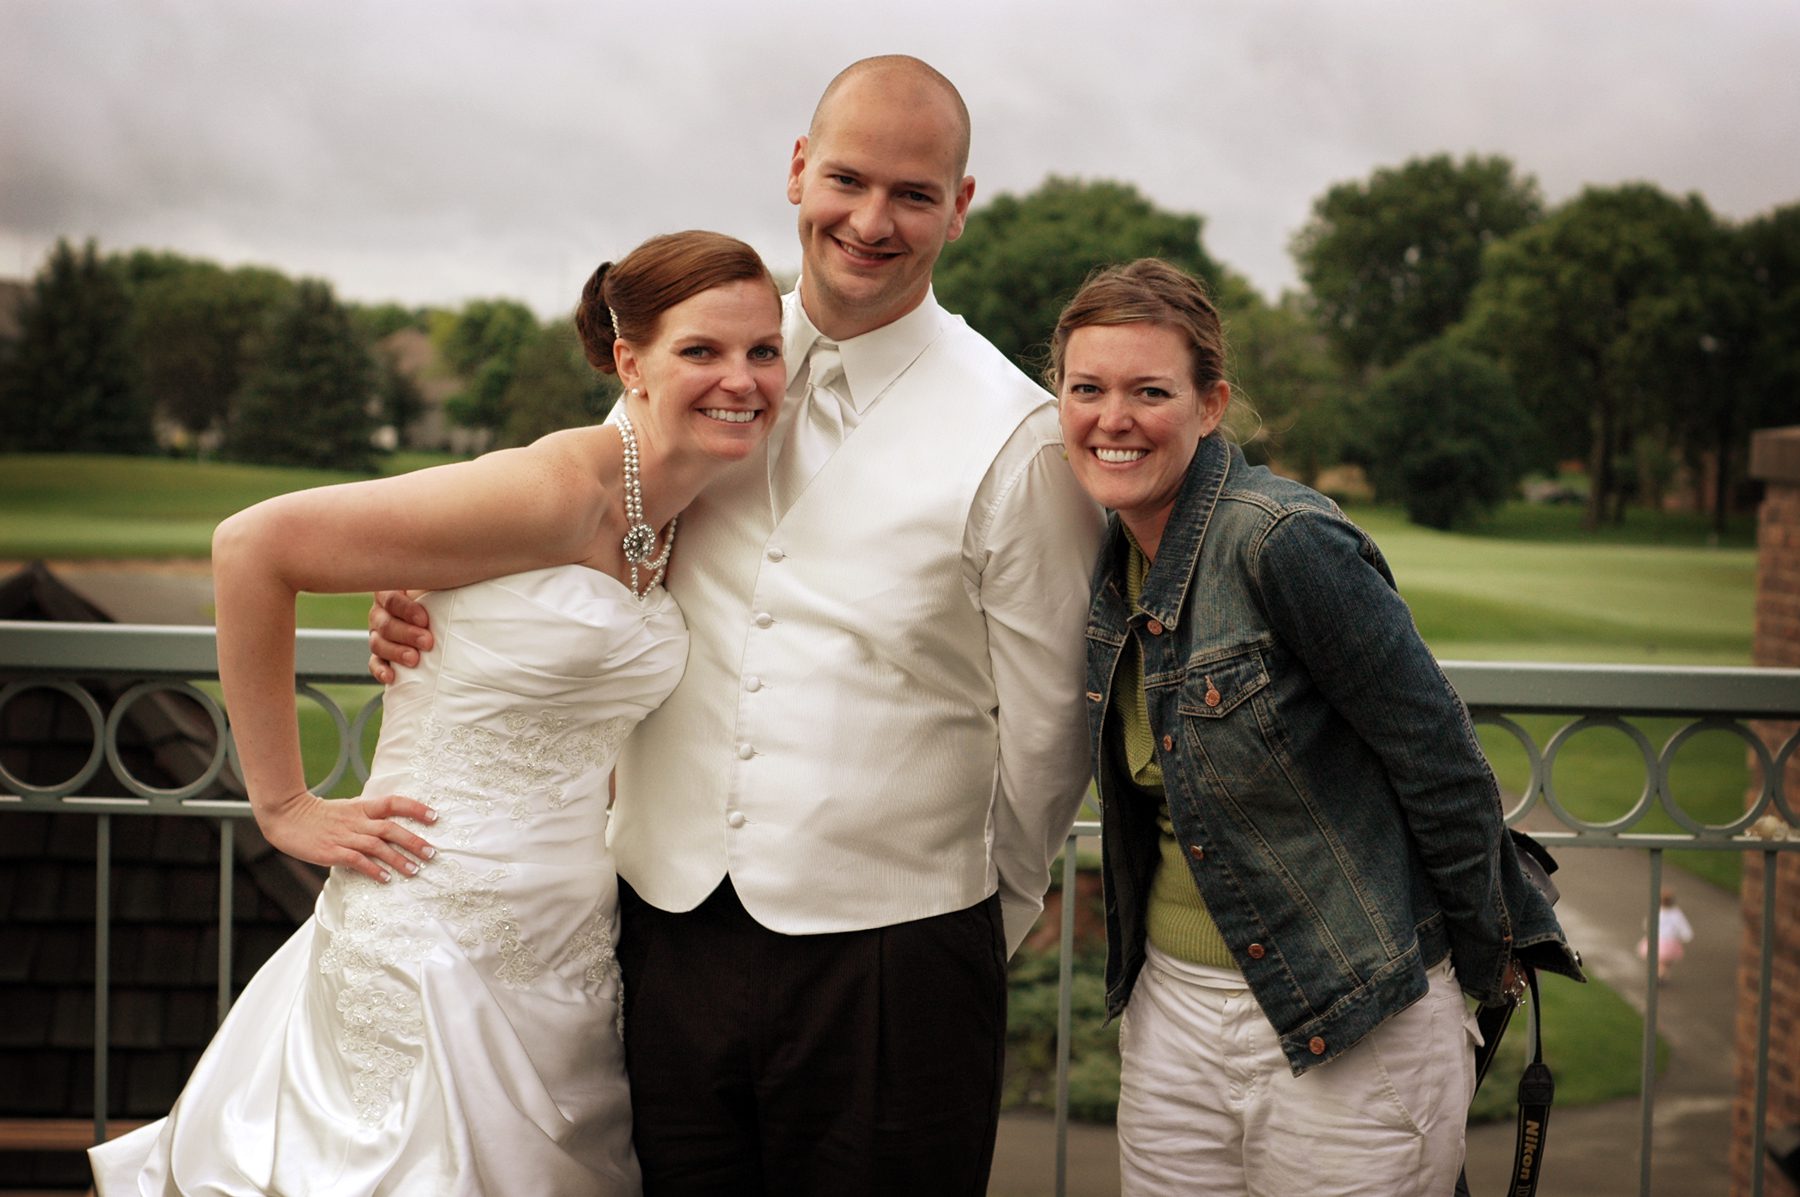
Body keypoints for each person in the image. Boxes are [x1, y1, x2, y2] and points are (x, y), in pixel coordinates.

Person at [369, 56, 1104, 1195]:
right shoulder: (688, 362)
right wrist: (437, 602)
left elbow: (1051, 729)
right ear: (799, 169)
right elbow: (581, 535)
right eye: (848, 179)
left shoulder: (1021, 433)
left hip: (898, 959)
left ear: (959, 207)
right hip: (661, 930)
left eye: (914, 194)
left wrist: (958, 927)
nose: (871, 221)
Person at [90, 230, 786, 1196]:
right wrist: (284, 804)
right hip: (426, 918)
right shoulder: (555, 489)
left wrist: (421, 588)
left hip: (568, 938)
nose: (741, 378)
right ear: (630, 362)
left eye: (763, 350)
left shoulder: (681, 509)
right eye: (701, 350)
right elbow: (253, 547)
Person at [1046, 258, 1582, 1197]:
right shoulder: (1111, 555)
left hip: (1357, 1020)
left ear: (1211, 405)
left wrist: (1482, 964)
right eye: (1087, 389)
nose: (1113, 417)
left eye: (1150, 391)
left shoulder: (1282, 539)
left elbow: (1441, 763)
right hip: (1173, 1017)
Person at [1637, 888, 1694, 981]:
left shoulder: (1657, 911)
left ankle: (1660, 974)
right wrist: (1686, 936)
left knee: (1659, 961)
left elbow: (1647, 924)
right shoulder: (1676, 913)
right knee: (1665, 962)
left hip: (1656, 941)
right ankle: (1661, 975)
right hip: (1670, 943)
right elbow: (1683, 926)